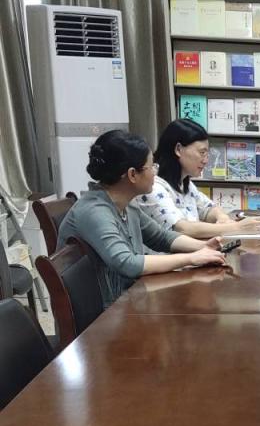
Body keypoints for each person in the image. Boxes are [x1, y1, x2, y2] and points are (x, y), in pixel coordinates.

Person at [57, 130, 226, 308]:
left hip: (126, 301)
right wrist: (191, 258)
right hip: (104, 315)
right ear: (132, 174)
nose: (155, 173)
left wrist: (203, 247)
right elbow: (127, 263)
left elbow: (160, 237)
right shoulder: (94, 211)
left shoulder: (126, 203)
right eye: (151, 166)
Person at [132, 119, 260, 239]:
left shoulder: (184, 182)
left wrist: (222, 217)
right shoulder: (152, 186)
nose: (205, 160)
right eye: (202, 153)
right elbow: (182, 229)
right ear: (178, 149)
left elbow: (208, 208)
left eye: (207, 154)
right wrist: (237, 228)